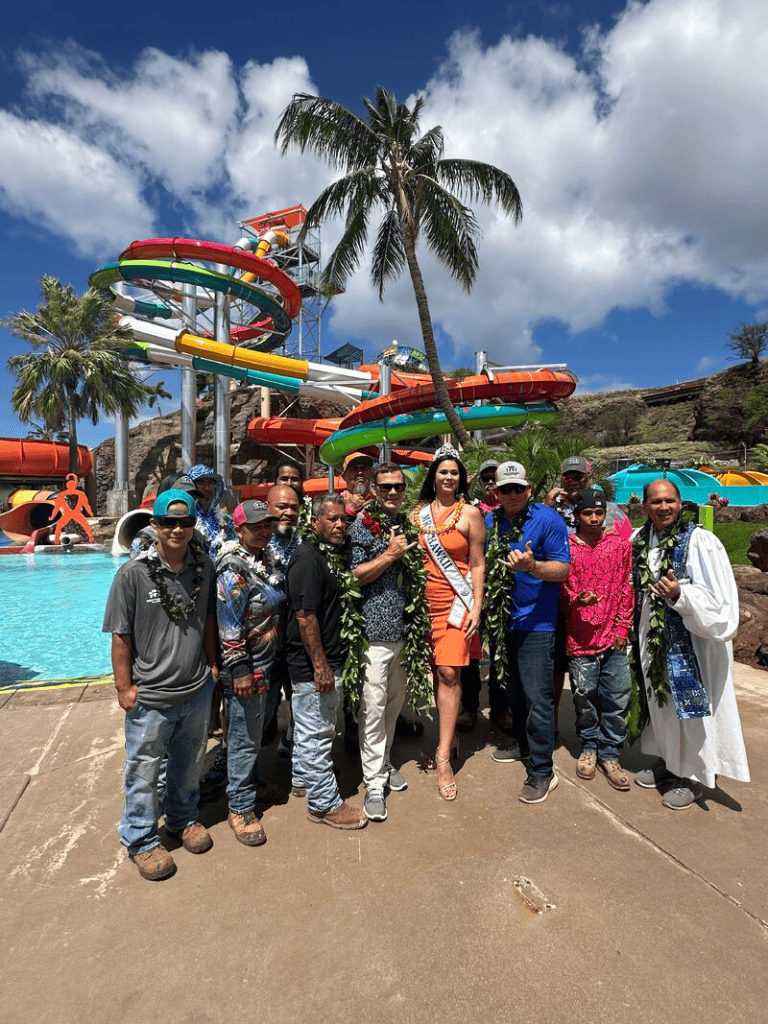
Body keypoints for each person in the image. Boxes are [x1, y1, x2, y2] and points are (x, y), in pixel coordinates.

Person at [103, 489, 218, 881]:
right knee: (144, 772)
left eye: (185, 522)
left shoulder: (204, 567)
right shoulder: (132, 574)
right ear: (154, 524)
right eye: (168, 521)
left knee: (187, 766)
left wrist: (213, 668)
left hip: (196, 689)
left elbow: (208, 622)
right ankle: (140, 838)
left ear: (192, 526)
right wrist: (124, 688)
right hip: (150, 695)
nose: (177, 529)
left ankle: (182, 819)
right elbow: (121, 636)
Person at [630, 478, 750, 809]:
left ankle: (694, 776)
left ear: (680, 503)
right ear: (645, 507)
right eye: (656, 502)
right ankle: (669, 761)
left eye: (670, 500)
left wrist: (681, 595)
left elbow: (721, 602)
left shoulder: (701, 542)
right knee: (663, 705)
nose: (664, 507)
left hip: (696, 645)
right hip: (655, 641)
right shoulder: (641, 540)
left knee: (696, 712)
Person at [487, 462, 570, 804]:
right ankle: (524, 747)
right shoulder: (491, 521)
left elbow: (563, 569)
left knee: (538, 698)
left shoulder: (549, 520)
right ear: (496, 492)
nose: (511, 495)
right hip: (502, 622)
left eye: (517, 488)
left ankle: (542, 771)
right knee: (515, 695)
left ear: (529, 489)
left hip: (536, 624)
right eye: (505, 489)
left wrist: (532, 567)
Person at [285, 493, 367, 829]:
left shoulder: (324, 553)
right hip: (312, 666)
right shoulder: (307, 559)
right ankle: (324, 804)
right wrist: (320, 666)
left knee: (307, 730)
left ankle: (302, 781)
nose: (339, 525)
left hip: (322, 661)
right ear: (315, 521)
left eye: (344, 519)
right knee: (318, 734)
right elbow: (305, 617)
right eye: (332, 519)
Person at [411, 445, 485, 801]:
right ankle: (448, 733)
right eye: (443, 471)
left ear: (461, 478)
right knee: (434, 671)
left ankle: (442, 757)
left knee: (450, 673)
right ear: (434, 476)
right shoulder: (417, 515)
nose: (448, 477)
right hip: (423, 605)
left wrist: (478, 606)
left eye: (454, 472)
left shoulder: (470, 513)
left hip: (457, 604)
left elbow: (478, 563)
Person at [347, 463, 417, 821]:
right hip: (373, 634)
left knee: (392, 705)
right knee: (372, 709)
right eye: (386, 487)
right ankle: (373, 783)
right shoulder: (361, 526)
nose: (392, 493)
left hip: (403, 632)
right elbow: (353, 576)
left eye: (398, 487)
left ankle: (385, 761)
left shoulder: (407, 525)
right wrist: (389, 555)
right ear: (374, 489)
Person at [543, 456, 630, 740]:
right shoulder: (552, 511)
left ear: (589, 477)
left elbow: (623, 558)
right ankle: (553, 723)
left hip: (601, 610)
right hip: (560, 602)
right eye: (568, 477)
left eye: (579, 476)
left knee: (604, 675)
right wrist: (547, 507)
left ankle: (604, 734)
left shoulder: (612, 512)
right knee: (557, 668)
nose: (574, 481)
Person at [215, 500, 285, 846]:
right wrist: (240, 672)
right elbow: (229, 629)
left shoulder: (267, 558)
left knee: (254, 735)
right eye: (256, 525)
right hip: (247, 671)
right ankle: (240, 807)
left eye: (267, 524)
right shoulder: (232, 570)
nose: (263, 530)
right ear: (238, 529)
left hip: (268, 666)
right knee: (242, 739)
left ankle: (252, 783)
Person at [560, 489, 634, 790]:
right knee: (584, 698)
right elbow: (561, 589)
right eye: (587, 513)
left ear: (606, 514)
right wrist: (577, 599)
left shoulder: (619, 546)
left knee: (617, 698)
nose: (593, 518)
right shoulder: (566, 547)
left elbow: (628, 588)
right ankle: (589, 748)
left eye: (599, 513)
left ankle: (610, 754)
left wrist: (622, 628)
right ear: (576, 515)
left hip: (613, 639)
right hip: (580, 639)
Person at [188, 464, 236, 557]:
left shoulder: (226, 520)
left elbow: (233, 547)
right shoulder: (186, 518)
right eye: (201, 483)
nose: (207, 488)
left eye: (210, 483)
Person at [340, 451, 375, 517]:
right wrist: (349, 510)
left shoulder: (379, 500)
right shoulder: (338, 502)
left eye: (364, 469)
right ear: (344, 476)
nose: (360, 472)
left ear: (371, 474)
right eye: (354, 469)